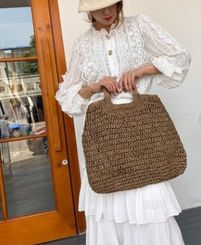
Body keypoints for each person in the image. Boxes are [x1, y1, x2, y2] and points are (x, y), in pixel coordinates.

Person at [56, 0, 191, 244]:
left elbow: (180, 58)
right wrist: (95, 86)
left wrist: (141, 71)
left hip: (141, 129)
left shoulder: (139, 25)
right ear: (88, 11)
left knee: (150, 196)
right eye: (98, 7)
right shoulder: (82, 45)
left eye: (111, 4)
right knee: (108, 192)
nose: (106, 12)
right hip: (105, 135)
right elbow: (67, 100)